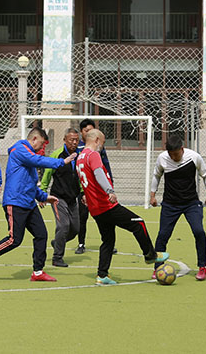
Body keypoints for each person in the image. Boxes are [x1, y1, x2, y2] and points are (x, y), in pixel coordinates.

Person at [0, 126, 77, 282]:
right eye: (41, 144)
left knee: (41, 234)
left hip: (29, 203)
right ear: (34, 139)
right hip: (15, 202)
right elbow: (38, 160)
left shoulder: (29, 158)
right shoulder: (19, 149)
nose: (42, 148)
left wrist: (44, 196)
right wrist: (61, 162)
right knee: (14, 239)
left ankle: (37, 271)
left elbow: (30, 184)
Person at [76, 128, 167, 285]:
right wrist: (109, 190)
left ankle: (102, 275)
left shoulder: (80, 158)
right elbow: (98, 174)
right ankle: (150, 255)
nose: (102, 147)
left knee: (108, 240)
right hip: (106, 206)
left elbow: (87, 180)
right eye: (102, 143)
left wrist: (86, 195)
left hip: (95, 209)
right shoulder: (93, 155)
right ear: (96, 140)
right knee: (138, 223)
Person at [150, 133, 206, 281]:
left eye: (176, 154)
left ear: (182, 149)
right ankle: (158, 267)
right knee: (163, 235)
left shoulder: (194, 157)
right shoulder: (162, 158)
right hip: (170, 204)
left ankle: (202, 267)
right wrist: (152, 195)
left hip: (191, 203)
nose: (173, 157)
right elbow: (156, 175)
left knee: (199, 231)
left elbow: (205, 174)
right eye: (171, 155)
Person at [39, 127, 81, 268]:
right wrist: (43, 193)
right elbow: (47, 175)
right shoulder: (57, 155)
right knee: (63, 226)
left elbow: (81, 176)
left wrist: (84, 193)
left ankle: (58, 241)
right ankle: (57, 257)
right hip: (58, 198)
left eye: (76, 140)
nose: (74, 142)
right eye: (71, 140)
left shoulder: (80, 155)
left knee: (75, 229)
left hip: (72, 198)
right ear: (64, 140)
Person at [76, 117, 113, 255]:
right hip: (84, 189)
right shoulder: (79, 148)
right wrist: (82, 190)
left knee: (104, 216)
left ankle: (108, 242)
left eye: (92, 130)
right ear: (81, 132)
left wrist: (110, 185)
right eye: (87, 131)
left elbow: (105, 166)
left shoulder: (98, 149)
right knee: (82, 217)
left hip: (99, 190)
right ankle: (81, 243)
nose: (89, 133)